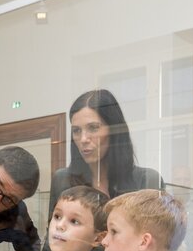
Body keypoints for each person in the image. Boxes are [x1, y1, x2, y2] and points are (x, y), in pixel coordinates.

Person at [49, 89, 163, 219]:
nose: (83, 139)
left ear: (114, 130)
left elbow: (155, 237)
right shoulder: (62, 179)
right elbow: (53, 235)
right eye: (76, 130)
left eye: (93, 128)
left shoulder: (146, 181)